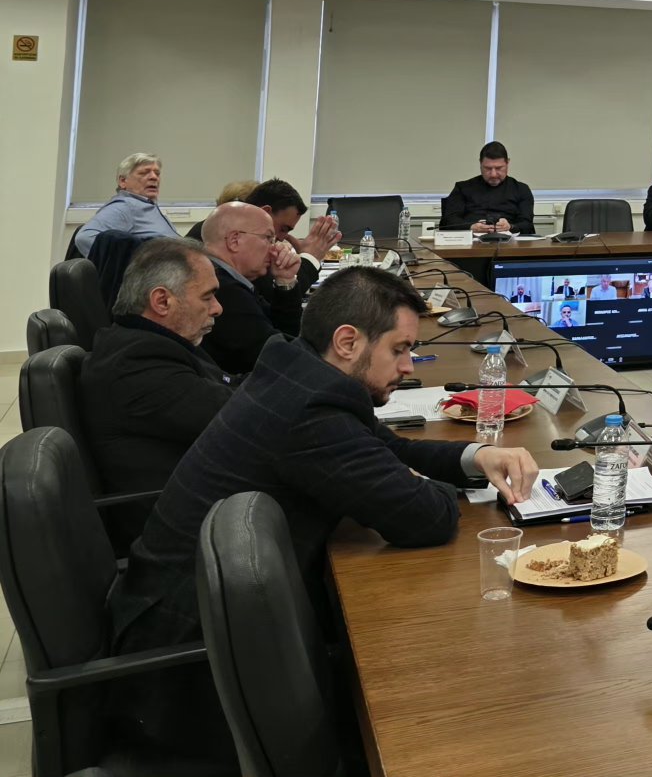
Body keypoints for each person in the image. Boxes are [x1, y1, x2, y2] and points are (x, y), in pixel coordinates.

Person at [107, 266, 538, 759]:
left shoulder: (296, 371)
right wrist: (415, 482)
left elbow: (387, 448)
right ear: (348, 342)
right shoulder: (312, 414)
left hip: (186, 616)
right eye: (399, 349)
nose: (408, 367)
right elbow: (429, 519)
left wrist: (477, 457)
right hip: (189, 674)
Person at [78, 239, 232, 500]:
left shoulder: (152, 339)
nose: (218, 308)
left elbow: (227, 384)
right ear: (162, 301)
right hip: (188, 510)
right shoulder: (138, 364)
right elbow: (237, 416)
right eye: (207, 296)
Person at [200, 202, 313, 374]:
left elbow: (283, 332)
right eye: (268, 238)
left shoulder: (231, 280)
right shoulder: (222, 289)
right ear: (234, 240)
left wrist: (285, 280)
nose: (275, 248)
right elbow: (280, 357)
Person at [186, 179, 341, 293]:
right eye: (283, 228)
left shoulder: (217, 230)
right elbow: (273, 297)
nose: (281, 238)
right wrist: (311, 256)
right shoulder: (226, 239)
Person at [75, 152, 181, 255]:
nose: (154, 177)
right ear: (123, 181)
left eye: (157, 173)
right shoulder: (125, 206)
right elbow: (84, 237)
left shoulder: (146, 205)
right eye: (144, 173)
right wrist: (139, 260)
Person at [439, 141, 535, 234]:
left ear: (507, 163)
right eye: (487, 168)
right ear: (480, 164)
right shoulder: (462, 188)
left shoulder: (521, 189)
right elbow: (447, 222)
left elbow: (527, 225)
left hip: (510, 242)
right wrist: (471, 227)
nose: (493, 174)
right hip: (471, 241)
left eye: (499, 168)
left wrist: (510, 227)